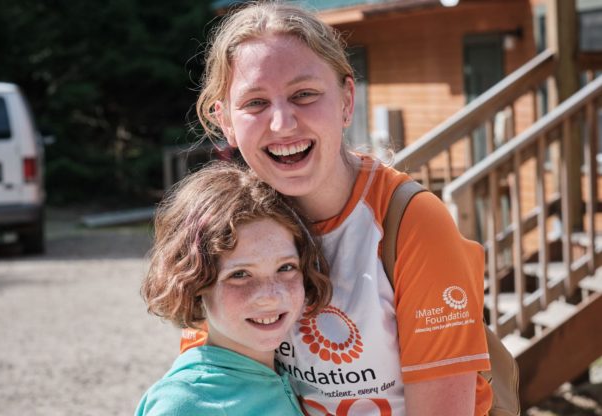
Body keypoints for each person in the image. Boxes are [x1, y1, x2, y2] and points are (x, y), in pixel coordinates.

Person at [189, 2, 493, 415]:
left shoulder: (410, 222)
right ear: (225, 121)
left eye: (304, 94)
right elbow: (214, 376)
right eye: (255, 103)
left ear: (347, 100)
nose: (282, 123)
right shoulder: (227, 224)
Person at [136, 162, 332, 415]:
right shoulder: (185, 404)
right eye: (240, 274)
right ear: (195, 283)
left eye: (286, 267)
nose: (271, 295)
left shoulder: (288, 374)